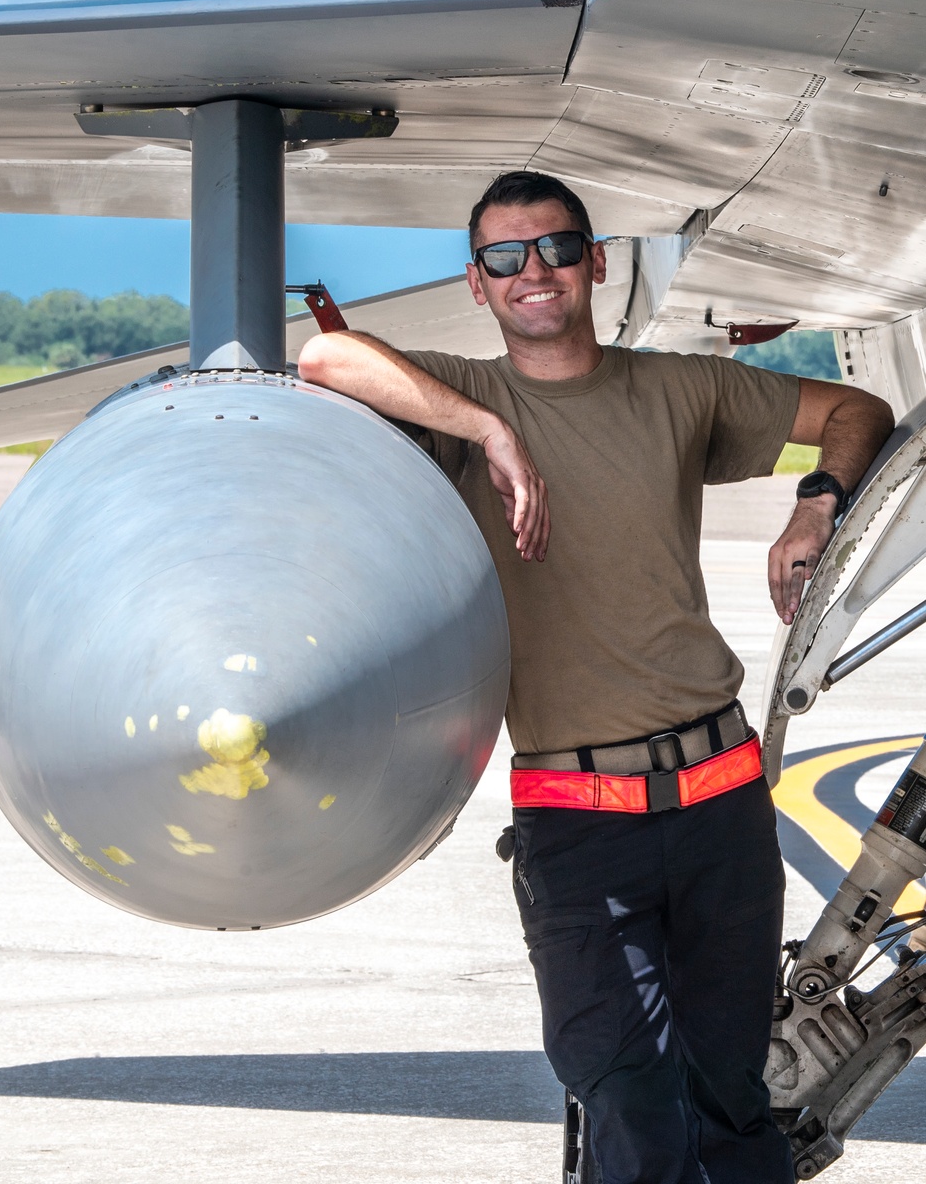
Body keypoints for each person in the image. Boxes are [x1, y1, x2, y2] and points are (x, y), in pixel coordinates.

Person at [297, 170, 894, 1184]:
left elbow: (856, 406)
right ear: (479, 285)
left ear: (595, 262)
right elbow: (321, 356)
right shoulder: (462, 396)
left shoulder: (680, 388)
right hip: (578, 824)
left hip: (719, 804)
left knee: (732, 1105)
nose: (534, 271)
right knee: (627, 1100)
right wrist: (489, 433)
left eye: (557, 248)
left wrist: (814, 503)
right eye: (504, 257)